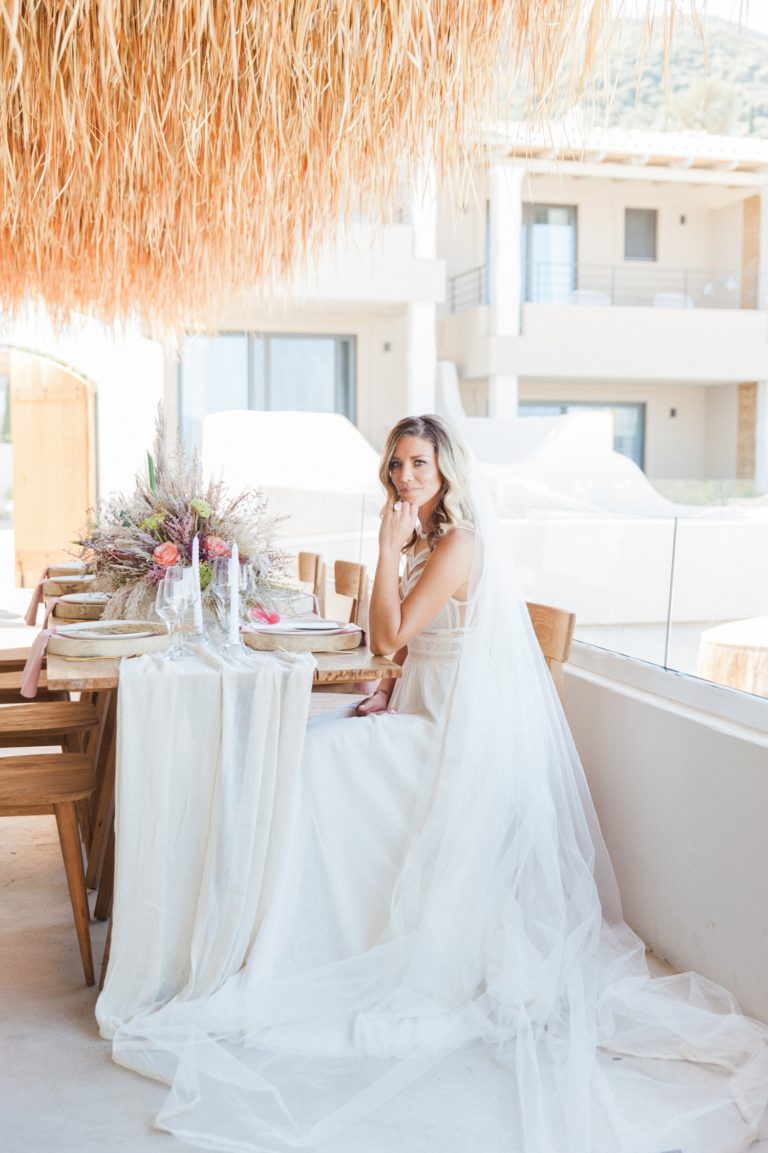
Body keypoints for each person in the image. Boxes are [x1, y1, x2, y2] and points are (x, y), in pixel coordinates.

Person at [106, 415, 768, 1153]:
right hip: (421, 707)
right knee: (311, 745)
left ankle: (310, 948)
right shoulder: (425, 540)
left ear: (445, 471)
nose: (403, 476)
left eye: (418, 463)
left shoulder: (455, 545)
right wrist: (393, 664)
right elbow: (384, 639)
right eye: (395, 464)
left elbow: (385, 637)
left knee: (317, 763)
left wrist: (385, 555)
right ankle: (297, 936)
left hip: (450, 739)